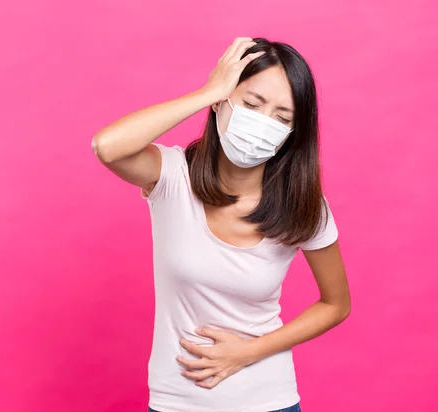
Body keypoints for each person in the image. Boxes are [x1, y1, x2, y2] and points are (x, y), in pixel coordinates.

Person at [92, 37, 351, 412]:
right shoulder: (172, 176)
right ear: (222, 100)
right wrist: (208, 90)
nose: (263, 124)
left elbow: (336, 304)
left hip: (269, 400)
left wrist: (247, 352)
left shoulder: (304, 205)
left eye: (282, 118)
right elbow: (108, 145)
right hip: (176, 402)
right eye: (251, 104)